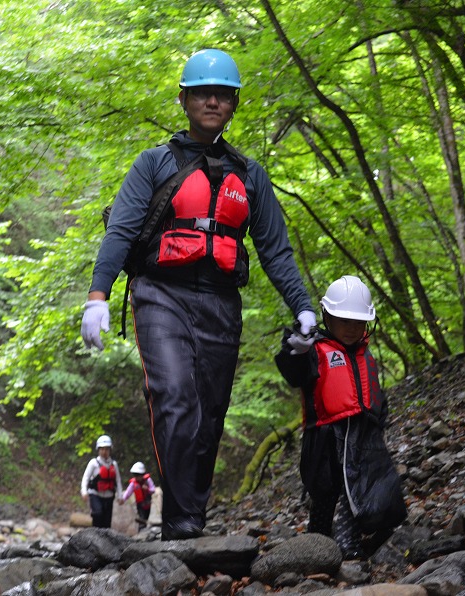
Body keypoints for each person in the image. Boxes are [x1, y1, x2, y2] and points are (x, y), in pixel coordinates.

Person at [81, 48, 316, 540]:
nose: (213, 101)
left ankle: (191, 518)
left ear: (233, 104)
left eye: (223, 94)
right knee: (175, 398)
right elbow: (120, 233)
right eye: (203, 93)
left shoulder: (249, 176)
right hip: (159, 296)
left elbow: (276, 251)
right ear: (184, 99)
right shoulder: (153, 164)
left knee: (210, 415)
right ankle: (182, 526)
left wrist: (305, 309)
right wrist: (98, 296)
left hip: (220, 303)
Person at [275, 275, 407, 559]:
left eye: (358, 322)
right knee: (323, 491)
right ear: (327, 317)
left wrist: (379, 421)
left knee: (359, 487)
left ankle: (350, 541)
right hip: (324, 434)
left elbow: (375, 393)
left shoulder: (364, 354)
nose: (351, 329)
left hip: (361, 434)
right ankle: (318, 541)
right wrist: (293, 348)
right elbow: (294, 373)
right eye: (344, 321)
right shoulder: (314, 350)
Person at [80, 434, 124, 529]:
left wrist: (120, 495)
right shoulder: (93, 463)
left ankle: (105, 541)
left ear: (110, 450)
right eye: (102, 449)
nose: (104, 452)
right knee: (98, 514)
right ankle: (95, 535)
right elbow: (86, 478)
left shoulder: (114, 464)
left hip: (109, 496)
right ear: (98, 450)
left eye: (107, 449)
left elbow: (118, 481)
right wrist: (84, 491)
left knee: (106, 522)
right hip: (95, 494)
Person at [120, 461, 156, 530]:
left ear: (142, 474)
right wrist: (123, 499)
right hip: (140, 505)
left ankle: (145, 532)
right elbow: (128, 492)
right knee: (141, 518)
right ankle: (141, 531)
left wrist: (147, 489)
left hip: (147, 504)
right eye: (135, 475)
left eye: (138, 475)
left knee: (145, 518)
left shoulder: (148, 480)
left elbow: (153, 490)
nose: (137, 477)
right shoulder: (133, 483)